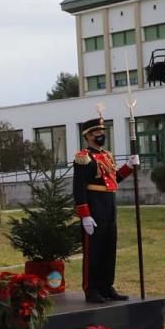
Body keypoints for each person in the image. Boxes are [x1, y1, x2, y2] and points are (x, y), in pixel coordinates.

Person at [72, 113, 140, 303]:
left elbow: (113, 180)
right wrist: (85, 214)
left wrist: (128, 166)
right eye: (97, 133)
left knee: (109, 249)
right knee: (93, 250)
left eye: (102, 131)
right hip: (94, 206)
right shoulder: (83, 158)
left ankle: (106, 285)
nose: (101, 135)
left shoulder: (107, 156)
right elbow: (78, 188)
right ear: (88, 136)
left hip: (109, 205)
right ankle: (91, 288)